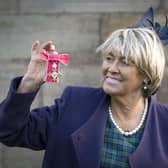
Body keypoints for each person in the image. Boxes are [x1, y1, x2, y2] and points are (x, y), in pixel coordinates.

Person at [0, 8, 168, 168]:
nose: (112, 68)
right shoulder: (75, 103)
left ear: (147, 73)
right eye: (109, 58)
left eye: (124, 62)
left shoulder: (164, 121)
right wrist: (29, 82)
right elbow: (9, 131)